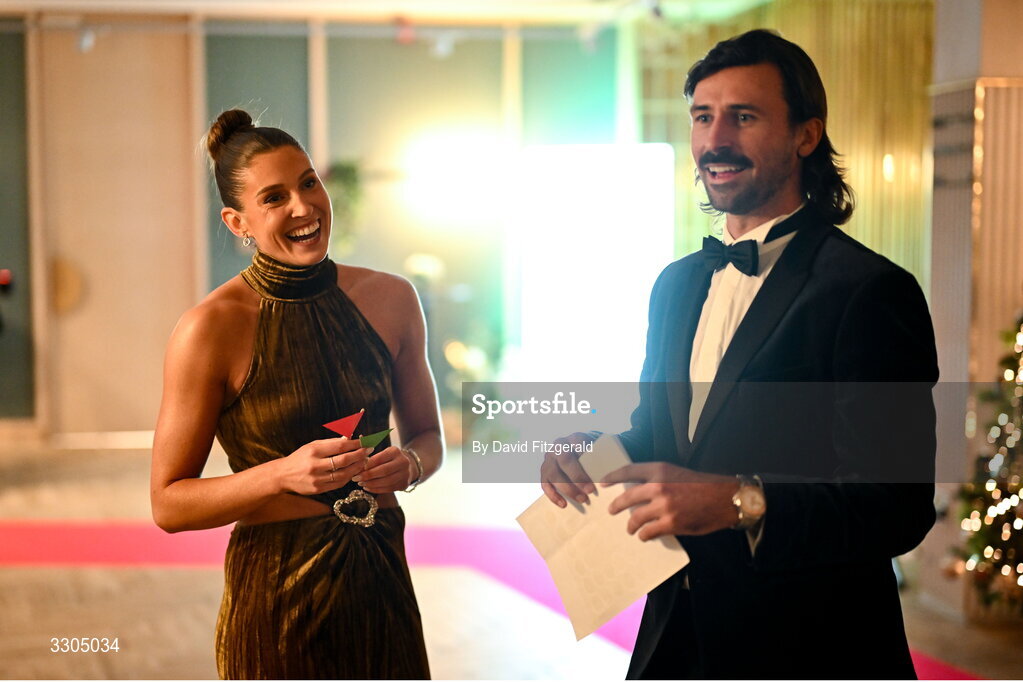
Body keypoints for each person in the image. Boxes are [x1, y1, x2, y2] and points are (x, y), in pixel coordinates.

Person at [540, 30, 937, 679]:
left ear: (805, 135)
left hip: (811, 648)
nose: (714, 139)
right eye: (702, 115)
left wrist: (737, 502)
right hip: (675, 639)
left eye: (742, 117)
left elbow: (895, 506)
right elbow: (665, 437)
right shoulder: (675, 284)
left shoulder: (869, 292)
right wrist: (594, 450)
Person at [150, 109, 443, 679]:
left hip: (382, 581)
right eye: (274, 197)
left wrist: (409, 465)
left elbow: (430, 438)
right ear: (238, 223)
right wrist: (280, 475)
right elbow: (168, 503)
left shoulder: (393, 299)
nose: (303, 207)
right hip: (277, 600)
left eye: (309, 182)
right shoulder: (210, 328)